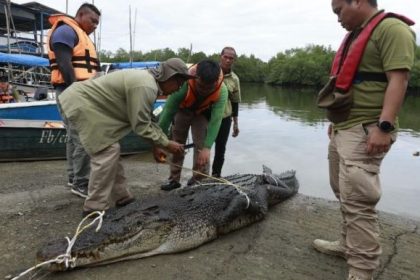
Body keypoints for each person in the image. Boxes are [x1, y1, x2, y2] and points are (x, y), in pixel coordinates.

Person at [313, 1, 416, 280]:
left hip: (367, 129)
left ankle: (362, 270)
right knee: (342, 191)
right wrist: (335, 124)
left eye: (339, 10)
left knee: (359, 200)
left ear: (357, 1)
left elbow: (400, 80)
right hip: (343, 128)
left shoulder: (391, 29)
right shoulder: (357, 34)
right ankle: (347, 244)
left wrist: (383, 126)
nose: (337, 18)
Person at [57, 58, 194, 217]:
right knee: (107, 152)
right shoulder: (146, 85)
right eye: (179, 83)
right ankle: (93, 208)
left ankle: (122, 197)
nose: (178, 89)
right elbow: (141, 126)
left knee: (110, 150)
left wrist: (156, 146)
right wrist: (167, 143)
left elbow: (148, 119)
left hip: (84, 103)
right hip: (80, 103)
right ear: (170, 77)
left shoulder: (147, 82)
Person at [47, 3, 101, 198]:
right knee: (82, 136)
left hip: (79, 92)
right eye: (92, 20)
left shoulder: (80, 35)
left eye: (97, 23)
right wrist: (75, 89)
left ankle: (74, 178)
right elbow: (63, 62)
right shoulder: (66, 31)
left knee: (73, 136)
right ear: (80, 15)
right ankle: (81, 182)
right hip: (71, 90)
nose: (95, 26)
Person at [157, 59, 228, 191]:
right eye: (201, 86)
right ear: (196, 78)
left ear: (216, 82)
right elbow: (167, 114)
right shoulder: (183, 85)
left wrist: (207, 147)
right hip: (182, 110)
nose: (204, 91)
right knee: (176, 142)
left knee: (202, 145)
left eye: (209, 88)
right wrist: (159, 142)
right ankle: (174, 179)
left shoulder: (222, 91)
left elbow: (216, 120)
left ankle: (199, 180)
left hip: (201, 113)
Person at [211, 47, 241, 178]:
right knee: (201, 146)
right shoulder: (211, 71)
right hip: (207, 116)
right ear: (220, 56)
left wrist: (235, 124)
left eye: (231, 58)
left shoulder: (235, 79)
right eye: (226, 57)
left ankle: (216, 176)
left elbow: (235, 101)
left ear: (234, 60)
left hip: (225, 118)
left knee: (220, 149)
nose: (228, 60)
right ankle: (198, 176)